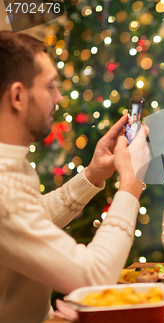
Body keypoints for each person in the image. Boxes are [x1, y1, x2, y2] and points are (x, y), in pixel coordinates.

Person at [0, 31, 148, 323]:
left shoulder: (11, 165)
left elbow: (31, 218)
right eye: (50, 86)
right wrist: (131, 182)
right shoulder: (4, 187)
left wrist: (93, 174)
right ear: (18, 95)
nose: (59, 97)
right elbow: (92, 276)